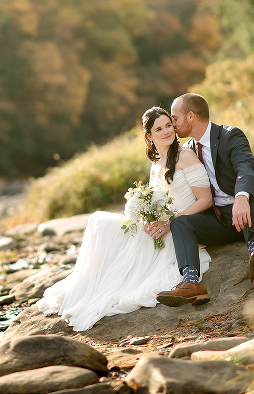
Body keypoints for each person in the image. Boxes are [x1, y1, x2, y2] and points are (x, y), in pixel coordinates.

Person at [36, 107, 214, 331]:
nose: (167, 131)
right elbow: (156, 204)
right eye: (159, 128)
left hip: (179, 229)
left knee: (101, 222)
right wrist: (147, 219)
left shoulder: (186, 156)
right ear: (149, 136)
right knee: (98, 221)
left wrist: (169, 224)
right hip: (160, 227)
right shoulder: (155, 165)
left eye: (169, 125)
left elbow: (205, 200)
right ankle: (91, 284)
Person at [155, 93, 254, 307]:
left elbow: (246, 169)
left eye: (175, 119)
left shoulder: (229, 136)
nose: (172, 125)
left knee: (248, 196)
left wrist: (241, 197)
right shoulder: (187, 150)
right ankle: (192, 283)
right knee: (180, 222)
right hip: (220, 221)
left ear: (190, 117)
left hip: (251, 213)